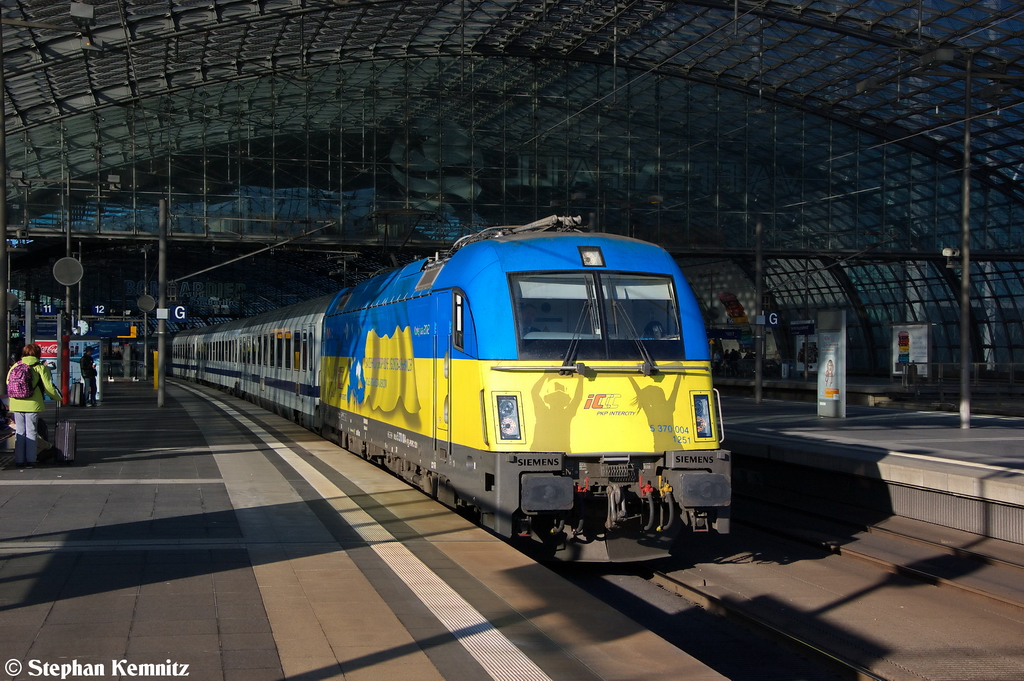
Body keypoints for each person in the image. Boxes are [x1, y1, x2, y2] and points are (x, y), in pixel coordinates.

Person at [6, 343, 60, 468]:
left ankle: (19, 460)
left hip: (16, 402)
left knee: (20, 431)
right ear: (37, 354)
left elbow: (8, 382)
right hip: (32, 403)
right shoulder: (40, 368)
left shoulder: (15, 366)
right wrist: (58, 398)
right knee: (31, 431)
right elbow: (48, 387)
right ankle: (31, 460)